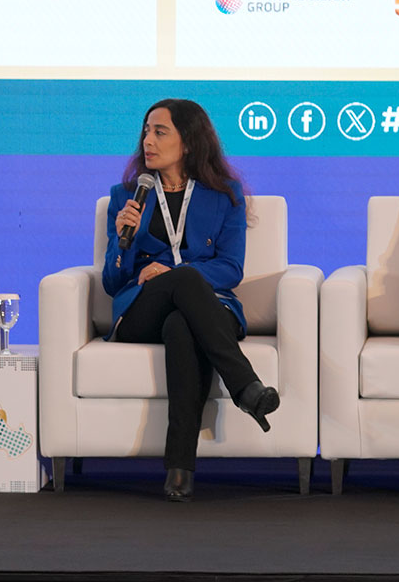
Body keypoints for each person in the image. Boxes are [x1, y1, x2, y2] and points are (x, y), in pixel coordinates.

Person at [103, 98, 280, 501]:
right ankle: (246, 387)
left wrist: (173, 273)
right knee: (181, 283)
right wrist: (124, 240)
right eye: (146, 131)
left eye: (160, 132)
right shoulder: (127, 196)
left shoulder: (224, 195)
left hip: (210, 307)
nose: (148, 141)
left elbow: (231, 268)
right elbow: (113, 281)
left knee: (182, 325)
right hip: (141, 309)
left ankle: (179, 468)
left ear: (188, 142)